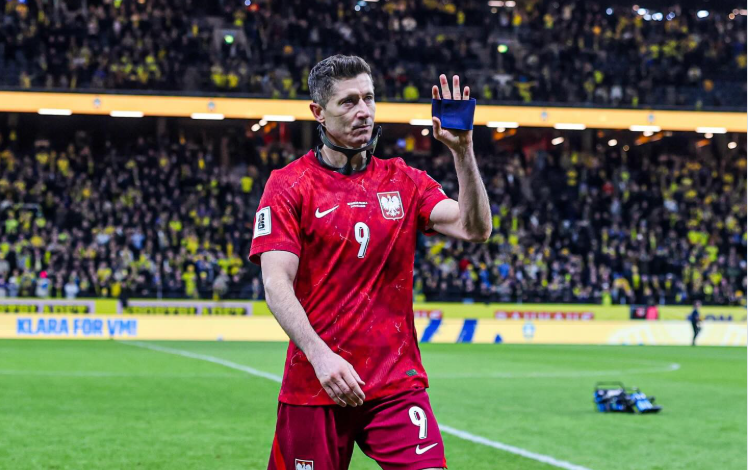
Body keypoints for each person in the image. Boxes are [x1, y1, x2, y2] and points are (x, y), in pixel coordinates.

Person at [249, 55, 491, 470]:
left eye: (368, 98)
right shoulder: (288, 185)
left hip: (396, 385)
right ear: (318, 112)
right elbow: (276, 284)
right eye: (348, 102)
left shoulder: (404, 180)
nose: (363, 111)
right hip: (316, 383)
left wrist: (463, 152)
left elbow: (475, 229)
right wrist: (321, 356)